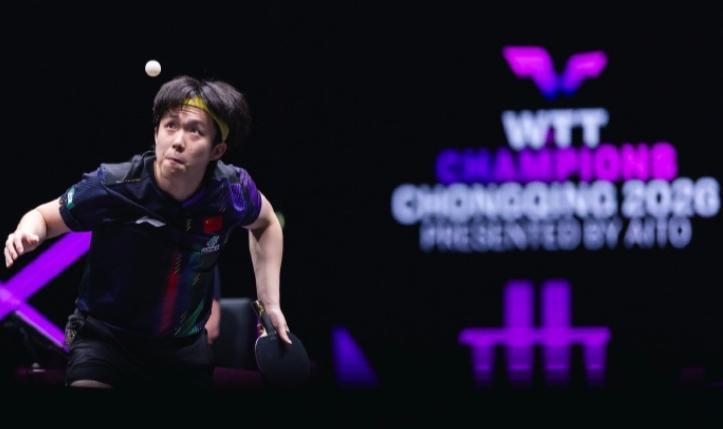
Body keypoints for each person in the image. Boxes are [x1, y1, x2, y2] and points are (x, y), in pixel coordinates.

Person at [3, 75, 289, 389]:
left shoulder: (232, 191)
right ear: (156, 133)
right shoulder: (114, 185)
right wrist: (28, 231)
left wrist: (270, 305)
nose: (178, 140)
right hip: (106, 341)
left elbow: (266, 223)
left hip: (183, 349)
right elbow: (44, 216)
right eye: (170, 125)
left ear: (217, 149)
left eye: (195, 130)